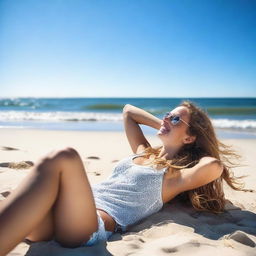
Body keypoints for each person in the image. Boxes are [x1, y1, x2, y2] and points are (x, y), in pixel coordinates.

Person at [0, 101, 244, 255]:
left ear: (190, 138)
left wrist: (189, 137)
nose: (168, 118)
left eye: (176, 118)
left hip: (89, 225)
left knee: (64, 156)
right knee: (12, 203)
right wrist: (170, 125)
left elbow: (213, 165)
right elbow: (128, 111)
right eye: (168, 114)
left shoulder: (175, 176)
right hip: (59, 215)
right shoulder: (142, 152)